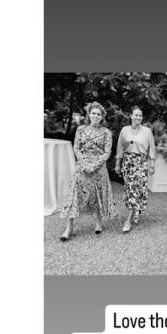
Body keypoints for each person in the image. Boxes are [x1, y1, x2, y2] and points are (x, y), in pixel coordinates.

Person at [59, 102, 118, 240]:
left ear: (102, 116)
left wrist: (94, 165)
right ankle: (69, 228)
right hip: (82, 166)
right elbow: (76, 148)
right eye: (93, 113)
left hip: (98, 168)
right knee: (74, 194)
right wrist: (84, 164)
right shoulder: (80, 129)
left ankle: (98, 222)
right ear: (89, 114)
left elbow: (107, 152)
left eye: (98, 114)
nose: (96, 116)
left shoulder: (106, 132)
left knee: (96, 195)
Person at [114, 106, 156, 233]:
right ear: (131, 116)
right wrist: (117, 163)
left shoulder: (147, 131)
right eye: (136, 115)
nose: (138, 117)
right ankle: (134, 212)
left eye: (140, 115)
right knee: (130, 190)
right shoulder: (124, 130)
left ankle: (128, 220)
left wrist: (152, 164)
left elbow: (152, 148)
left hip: (141, 163)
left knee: (136, 189)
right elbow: (120, 147)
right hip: (128, 163)